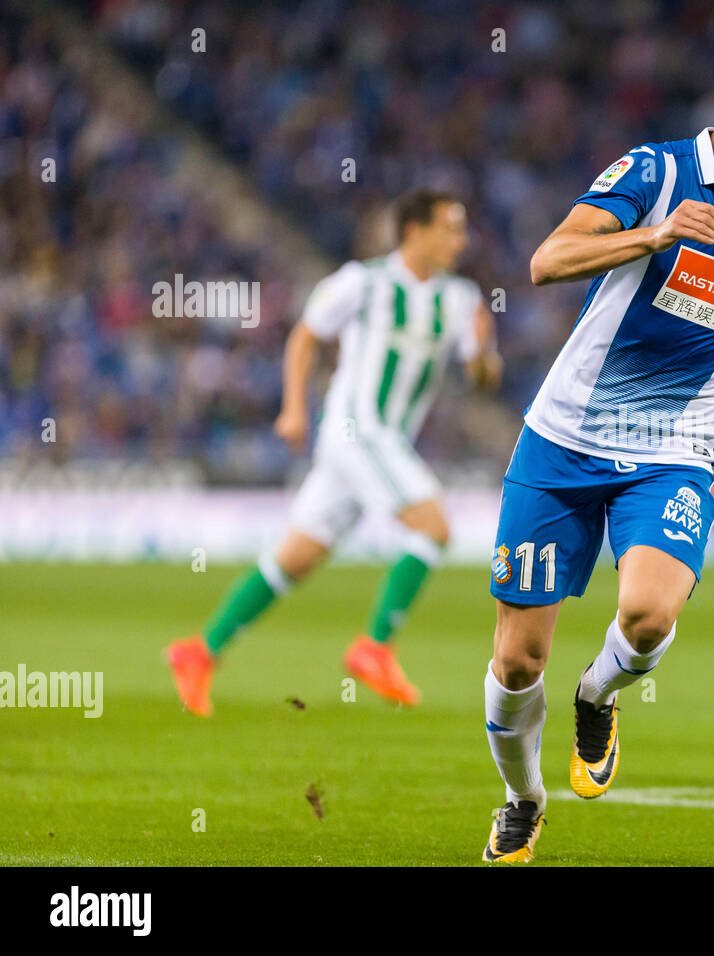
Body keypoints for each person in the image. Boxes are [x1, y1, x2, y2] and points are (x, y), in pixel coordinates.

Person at [480, 25, 714, 862]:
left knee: (646, 613)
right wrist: (654, 235)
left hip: (672, 445)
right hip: (562, 439)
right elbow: (547, 259)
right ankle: (522, 798)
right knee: (519, 661)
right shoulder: (654, 172)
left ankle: (597, 697)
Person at [167, 190, 502, 716]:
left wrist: (483, 351)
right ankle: (374, 647)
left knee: (295, 559)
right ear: (414, 231)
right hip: (356, 431)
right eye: (451, 228)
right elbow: (305, 336)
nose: (461, 240)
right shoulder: (362, 282)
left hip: (380, 442)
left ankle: (199, 651)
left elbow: (483, 378)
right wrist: (294, 409)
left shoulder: (460, 299)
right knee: (433, 527)